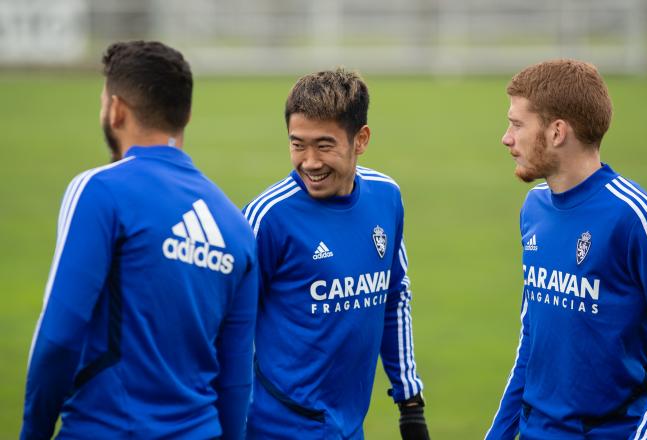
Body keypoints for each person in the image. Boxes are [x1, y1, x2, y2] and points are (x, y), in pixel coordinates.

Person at [20, 41, 258, 439]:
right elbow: (236, 379)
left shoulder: (99, 190)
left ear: (116, 110)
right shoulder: (235, 226)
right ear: (186, 115)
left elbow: (59, 337)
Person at [243, 68, 429, 440]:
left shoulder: (386, 197)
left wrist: (411, 404)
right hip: (273, 428)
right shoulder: (268, 217)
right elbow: (222, 323)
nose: (310, 162)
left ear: (360, 140)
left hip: (347, 427)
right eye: (298, 144)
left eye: (324, 145)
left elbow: (394, 297)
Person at [485, 59, 647, 439]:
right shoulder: (533, 207)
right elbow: (531, 338)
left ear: (557, 132)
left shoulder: (634, 217)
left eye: (517, 124)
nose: (506, 138)